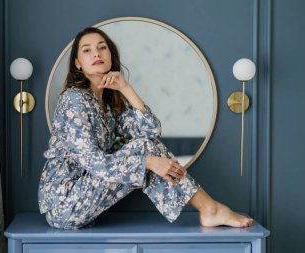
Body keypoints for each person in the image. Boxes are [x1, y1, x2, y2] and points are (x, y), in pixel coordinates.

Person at [38, 27, 253, 230]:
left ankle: (210, 209)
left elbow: (151, 131)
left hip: (85, 200)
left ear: (110, 55)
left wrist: (126, 88)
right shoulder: (74, 99)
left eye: (102, 47)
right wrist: (149, 162)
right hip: (64, 204)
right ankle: (210, 208)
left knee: (145, 146)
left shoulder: (108, 102)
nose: (96, 53)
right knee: (145, 151)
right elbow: (93, 162)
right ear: (77, 63)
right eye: (87, 50)